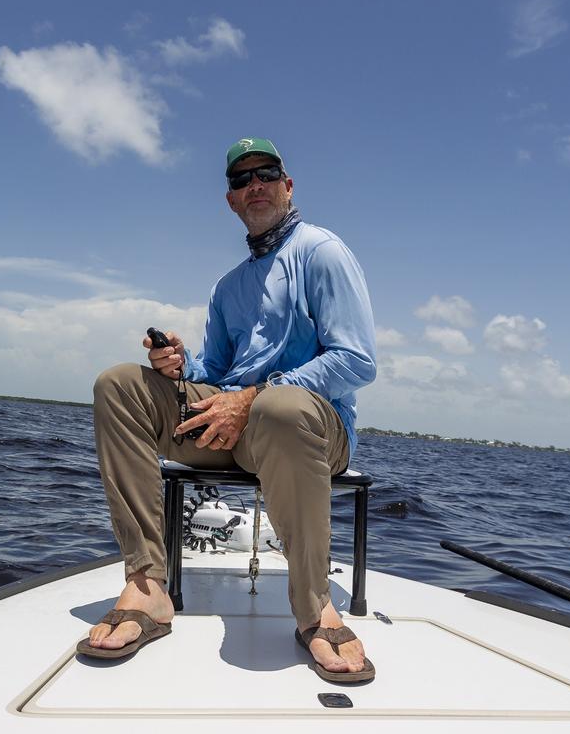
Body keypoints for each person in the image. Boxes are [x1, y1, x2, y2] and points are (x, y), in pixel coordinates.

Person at [80, 137, 377, 682]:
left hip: (309, 429)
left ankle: (314, 607)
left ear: (288, 187)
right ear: (231, 201)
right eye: (242, 180)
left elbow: (357, 362)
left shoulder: (323, 252)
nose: (254, 185)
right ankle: (147, 586)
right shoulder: (226, 286)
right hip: (234, 425)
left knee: (281, 407)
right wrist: (178, 366)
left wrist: (257, 396)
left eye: (266, 174)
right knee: (118, 384)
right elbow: (214, 376)